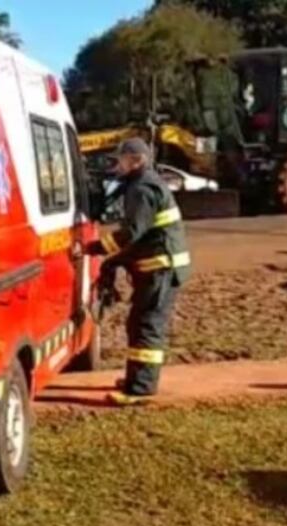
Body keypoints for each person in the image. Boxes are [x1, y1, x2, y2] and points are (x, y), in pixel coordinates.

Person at [86, 138, 191, 406]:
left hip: (161, 271)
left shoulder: (142, 188)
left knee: (147, 326)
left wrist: (97, 248)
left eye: (121, 159)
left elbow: (133, 233)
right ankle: (136, 379)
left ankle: (141, 389)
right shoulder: (143, 183)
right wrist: (114, 261)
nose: (117, 164)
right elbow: (143, 237)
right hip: (158, 268)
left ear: (137, 160)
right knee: (138, 323)